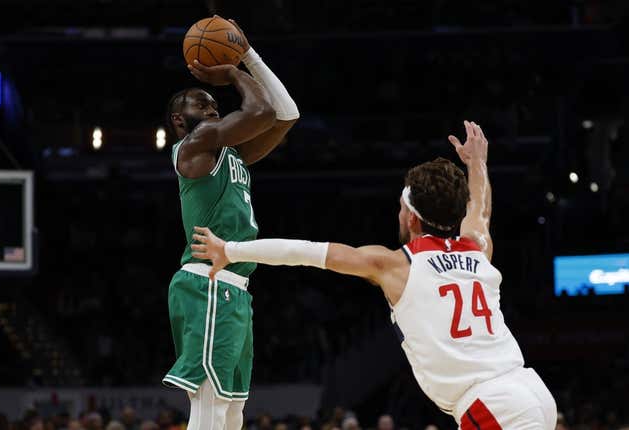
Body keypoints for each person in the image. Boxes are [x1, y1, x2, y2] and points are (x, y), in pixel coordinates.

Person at [192, 122, 557, 429]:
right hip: (531, 390)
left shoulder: (395, 264)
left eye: (400, 208)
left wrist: (231, 251)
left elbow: (305, 251)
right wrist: (478, 163)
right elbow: (481, 208)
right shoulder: (477, 248)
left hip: (493, 404)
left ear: (411, 216)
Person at [162, 17, 299, 430]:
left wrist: (250, 54)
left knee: (233, 411)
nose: (211, 106)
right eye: (199, 104)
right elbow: (258, 110)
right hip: (207, 282)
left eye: (213, 102)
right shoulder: (194, 145)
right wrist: (233, 71)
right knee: (208, 408)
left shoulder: (233, 155)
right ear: (178, 120)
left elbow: (286, 113)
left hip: (236, 287)